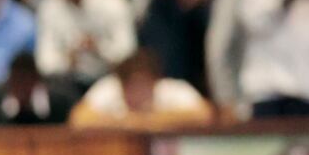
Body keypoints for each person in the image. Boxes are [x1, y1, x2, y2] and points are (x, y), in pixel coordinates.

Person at [70, 48, 216, 128]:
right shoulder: (109, 88)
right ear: (121, 84)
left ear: (155, 82)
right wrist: (126, 122)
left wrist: (149, 121)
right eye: (131, 87)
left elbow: (205, 114)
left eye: (142, 86)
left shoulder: (172, 89)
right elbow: (79, 118)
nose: (137, 94)